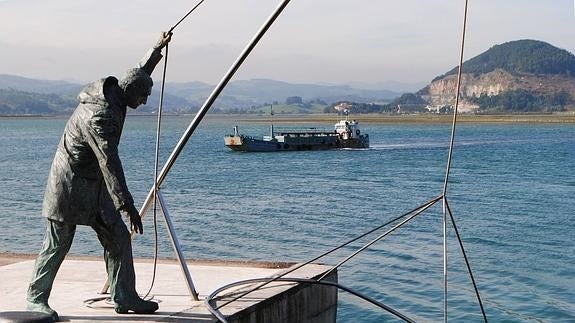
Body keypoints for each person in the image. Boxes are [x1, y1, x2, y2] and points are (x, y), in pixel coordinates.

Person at [26, 32, 172, 321]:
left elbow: (139, 73)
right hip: (68, 184)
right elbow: (110, 162)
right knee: (58, 243)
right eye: (143, 97)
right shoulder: (100, 115)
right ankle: (35, 298)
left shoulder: (121, 92)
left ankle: (124, 295)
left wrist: (157, 48)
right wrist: (127, 204)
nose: (144, 102)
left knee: (118, 235)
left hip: (94, 184)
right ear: (129, 92)